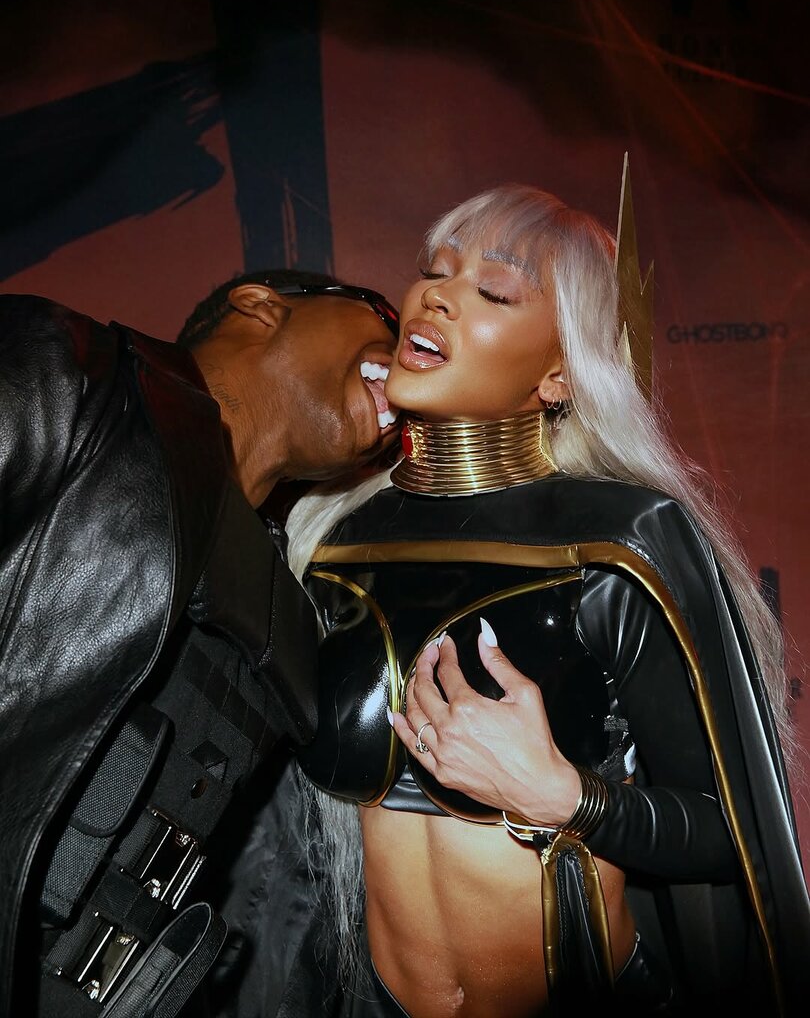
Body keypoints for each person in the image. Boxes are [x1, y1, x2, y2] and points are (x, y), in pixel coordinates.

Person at [258, 187, 810, 1018]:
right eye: (434, 272)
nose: (436, 297)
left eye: (494, 290)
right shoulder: (328, 539)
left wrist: (568, 799)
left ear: (560, 373)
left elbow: (732, 834)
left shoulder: (618, 541)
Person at [0, 269, 400, 1018]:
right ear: (260, 305)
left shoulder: (295, 616)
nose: (407, 357)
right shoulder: (69, 369)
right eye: (385, 317)